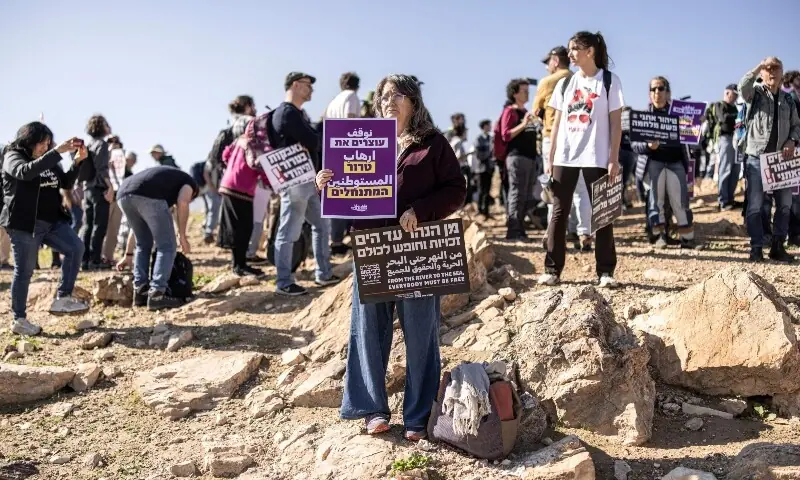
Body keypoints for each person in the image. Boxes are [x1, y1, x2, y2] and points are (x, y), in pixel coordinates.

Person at [316, 73, 466, 442]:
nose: (390, 100)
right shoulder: (362, 143)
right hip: (371, 246)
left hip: (417, 251)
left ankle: (419, 415)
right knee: (368, 330)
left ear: (414, 101)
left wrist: (421, 209)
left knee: (421, 333)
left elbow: (456, 190)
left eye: (399, 94)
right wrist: (327, 185)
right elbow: (350, 196)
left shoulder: (432, 143)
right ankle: (373, 409)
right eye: (384, 95)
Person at [539, 31, 624, 288]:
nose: (571, 54)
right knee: (559, 212)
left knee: (602, 214)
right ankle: (552, 270)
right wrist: (550, 157)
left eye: (575, 48)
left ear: (590, 51)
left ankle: (605, 272)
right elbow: (556, 125)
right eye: (569, 49)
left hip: (596, 156)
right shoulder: (565, 84)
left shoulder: (609, 81)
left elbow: (616, 124)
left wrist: (613, 158)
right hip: (566, 156)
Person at [2, 123, 90, 335]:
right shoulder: (13, 156)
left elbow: (66, 183)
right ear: (28, 139)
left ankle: (63, 298)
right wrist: (57, 151)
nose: (45, 146)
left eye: (48, 143)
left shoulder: (50, 160)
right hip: (25, 225)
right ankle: (19, 319)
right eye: (42, 142)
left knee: (75, 248)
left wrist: (77, 162)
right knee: (24, 271)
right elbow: (24, 173)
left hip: (52, 222)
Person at [270, 72, 338, 296]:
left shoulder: (296, 114)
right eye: (308, 85)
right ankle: (284, 281)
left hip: (307, 181)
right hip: (294, 181)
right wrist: (317, 134)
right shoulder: (287, 113)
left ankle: (324, 273)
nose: (311, 90)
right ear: (296, 85)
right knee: (288, 231)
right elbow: (312, 141)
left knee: (320, 226)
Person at [739, 57, 800, 263]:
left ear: (783, 73)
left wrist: (792, 140)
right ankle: (756, 247)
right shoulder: (754, 94)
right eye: (768, 68)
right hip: (757, 158)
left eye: (776, 68)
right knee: (755, 205)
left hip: (782, 161)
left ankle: (777, 246)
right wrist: (758, 66)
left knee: (785, 205)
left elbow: (796, 126)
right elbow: (743, 86)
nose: (772, 72)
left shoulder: (789, 100)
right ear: (762, 73)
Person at [116, 166, 198, 309]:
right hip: (149, 196)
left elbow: (135, 232)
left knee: (143, 243)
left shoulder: (164, 180)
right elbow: (183, 202)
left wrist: (128, 254)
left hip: (123, 194)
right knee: (167, 246)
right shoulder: (189, 183)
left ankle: (140, 292)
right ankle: (157, 294)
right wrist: (182, 236)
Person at [631, 76, 695, 249]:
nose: (657, 92)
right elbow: (635, 145)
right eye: (653, 89)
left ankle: (687, 238)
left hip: (676, 163)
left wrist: (695, 128)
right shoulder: (642, 117)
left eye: (660, 88)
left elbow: (691, 138)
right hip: (653, 164)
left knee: (681, 202)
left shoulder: (679, 115)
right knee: (655, 202)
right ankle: (659, 237)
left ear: (668, 92)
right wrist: (648, 145)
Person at [217, 114, 271, 277]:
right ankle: (239, 266)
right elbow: (258, 166)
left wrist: (233, 166)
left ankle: (239, 264)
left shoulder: (239, 140)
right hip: (241, 188)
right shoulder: (255, 144)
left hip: (229, 185)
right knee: (244, 227)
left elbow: (225, 155)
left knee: (236, 226)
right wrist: (272, 182)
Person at [324, 72, 361, 255]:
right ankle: (341, 240)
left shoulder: (333, 101)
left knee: (338, 196)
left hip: (333, 150)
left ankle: (336, 239)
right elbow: (351, 121)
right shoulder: (352, 97)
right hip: (348, 150)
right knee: (351, 195)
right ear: (357, 85)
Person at [500, 78, 538, 241]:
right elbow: (505, 134)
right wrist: (524, 124)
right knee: (517, 193)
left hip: (529, 158)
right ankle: (513, 230)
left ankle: (520, 228)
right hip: (517, 157)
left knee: (526, 194)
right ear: (515, 93)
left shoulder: (525, 112)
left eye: (528, 90)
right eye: (524, 90)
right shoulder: (510, 111)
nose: (527, 93)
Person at [81, 114, 115, 270]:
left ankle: (84, 259)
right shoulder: (102, 145)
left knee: (87, 225)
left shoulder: (89, 144)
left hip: (87, 188)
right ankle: (95, 260)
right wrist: (110, 187)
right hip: (99, 188)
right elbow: (102, 170)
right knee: (99, 225)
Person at [706, 84, 742, 211]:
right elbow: (724, 118)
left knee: (735, 170)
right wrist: (738, 119)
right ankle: (723, 201)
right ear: (727, 93)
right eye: (734, 94)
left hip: (736, 139)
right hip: (725, 139)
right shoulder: (720, 105)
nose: (736, 96)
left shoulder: (736, 108)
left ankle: (730, 199)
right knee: (725, 169)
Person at [102, 136, 127, 262]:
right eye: (111, 142)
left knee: (114, 228)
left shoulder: (121, 158)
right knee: (103, 227)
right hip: (106, 193)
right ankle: (98, 255)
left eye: (116, 142)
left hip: (118, 195)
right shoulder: (102, 156)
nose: (114, 145)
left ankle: (108, 256)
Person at [473, 119, 494, 217]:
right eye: (489, 125)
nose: (490, 127)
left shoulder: (491, 138)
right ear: (484, 126)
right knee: (481, 190)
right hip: (481, 169)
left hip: (489, 168)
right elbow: (479, 155)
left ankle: (486, 211)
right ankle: (480, 210)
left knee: (487, 190)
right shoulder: (478, 139)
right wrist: (489, 152)